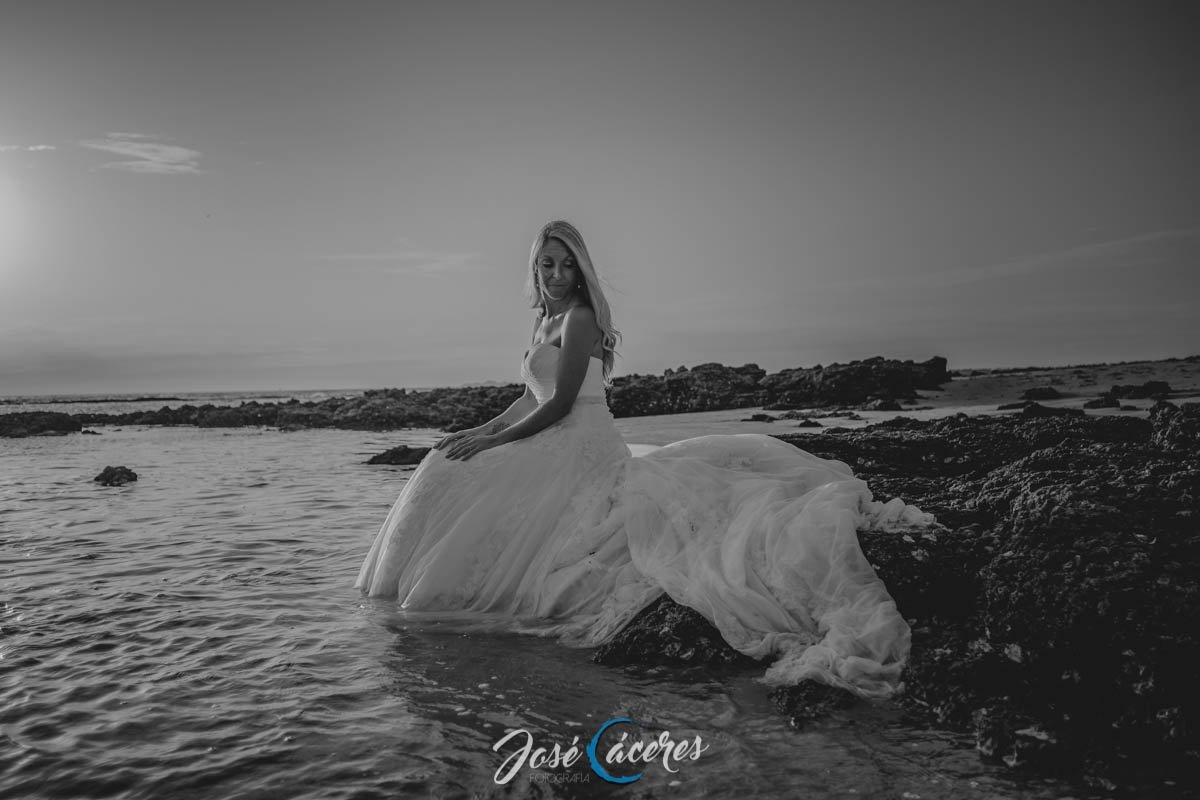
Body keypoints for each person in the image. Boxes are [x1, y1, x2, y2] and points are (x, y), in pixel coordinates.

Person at [356, 220, 935, 698]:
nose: (557, 276)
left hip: (579, 443)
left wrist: (495, 445)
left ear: (580, 269)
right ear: (534, 270)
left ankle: (448, 597)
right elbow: (526, 397)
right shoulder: (544, 319)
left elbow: (559, 405)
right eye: (546, 265)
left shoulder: (580, 318)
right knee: (446, 466)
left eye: (566, 265)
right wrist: (479, 430)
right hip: (552, 437)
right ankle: (412, 603)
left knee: (480, 479)